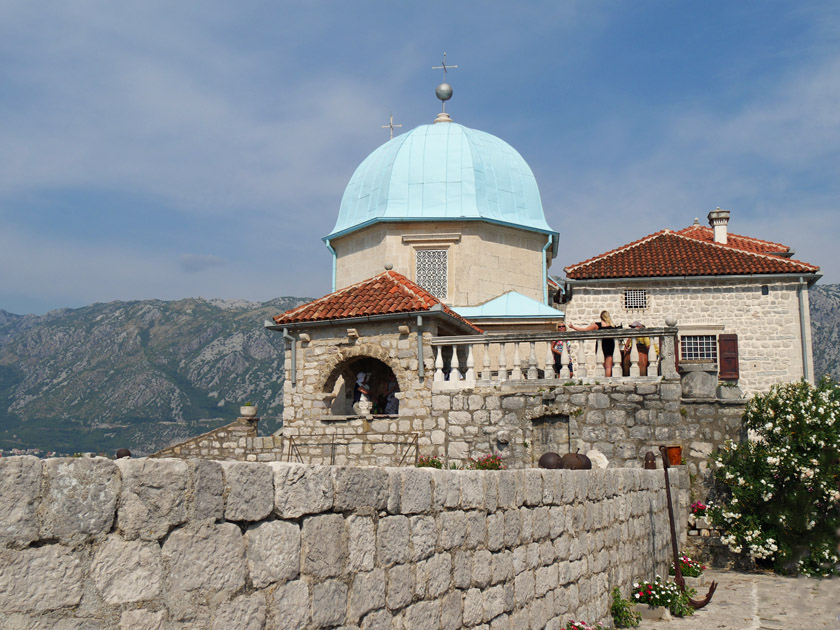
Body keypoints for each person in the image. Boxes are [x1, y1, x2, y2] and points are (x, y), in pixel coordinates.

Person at [569, 310, 617, 376]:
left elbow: (585, 330)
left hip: (601, 345)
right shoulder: (613, 326)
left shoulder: (597, 325)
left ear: (601, 317)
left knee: (601, 365)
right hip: (610, 345)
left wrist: (573, 327)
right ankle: (608, 380)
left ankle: (602, 379)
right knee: (608, 367)